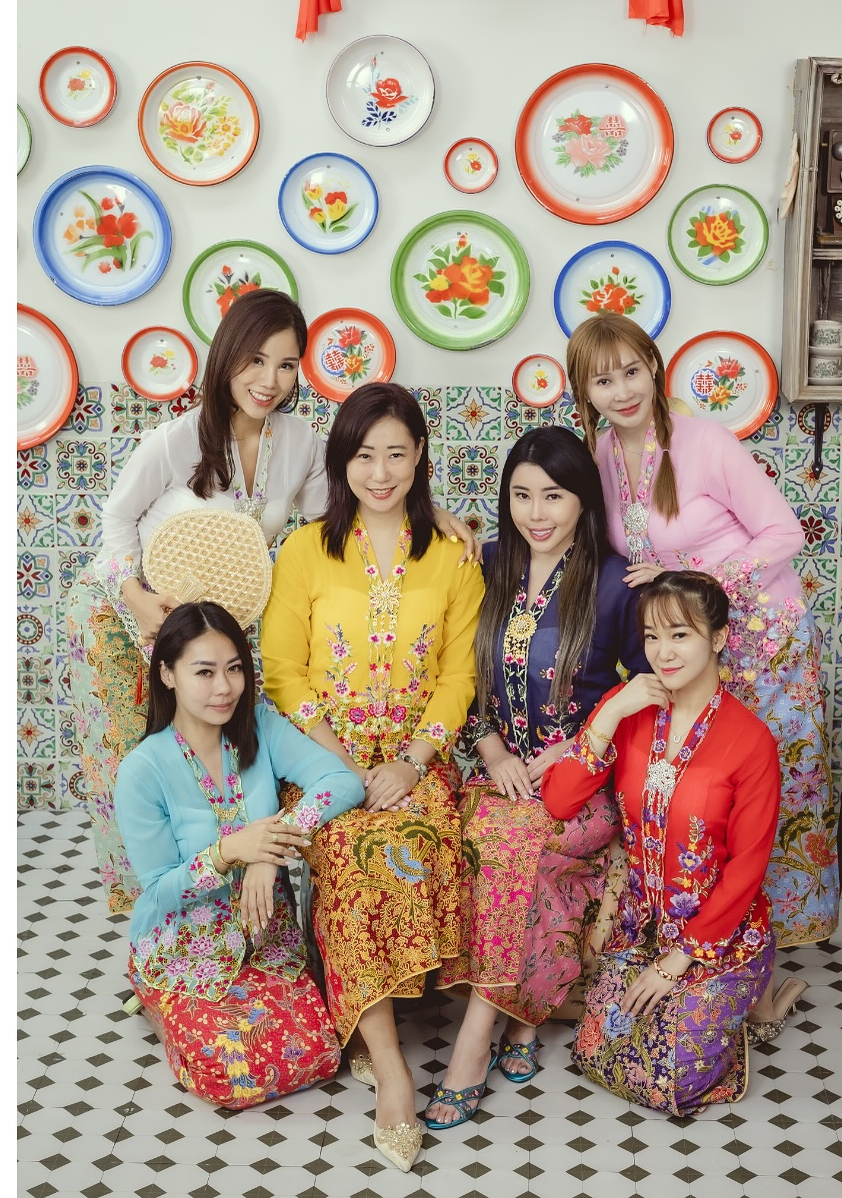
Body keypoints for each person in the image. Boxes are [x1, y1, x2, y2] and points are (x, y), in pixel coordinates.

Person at [68, 289, 479, 913]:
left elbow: (343, 509)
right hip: (128, 618)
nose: (270, 380)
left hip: (212, 628)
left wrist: (432, 511)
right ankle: (155, 919)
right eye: (255, 360)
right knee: (143, 766)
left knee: (213, 760)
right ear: (227, 356)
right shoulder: (177, 440)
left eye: (286, 365)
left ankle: (233, 902)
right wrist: (137, 598)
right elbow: (116, 520)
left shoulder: (299, 440)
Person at [566, 313, 838, 1036]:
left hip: (764, 638)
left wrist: (701, 577)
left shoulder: (707, 441)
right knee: (704, 801)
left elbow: (785, 531)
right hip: (693, 647)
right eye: (603, 379)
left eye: (632, 371)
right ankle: (709, 952)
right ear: (584, 390)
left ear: (654, 367)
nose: (622, 390)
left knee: (770, 799)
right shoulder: (600, 456)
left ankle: (759, 967)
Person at [260, 381, 484, 1173]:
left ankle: (364, 1019)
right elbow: (283, 671)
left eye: (396, 453)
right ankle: (392, 1072)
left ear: (421, 456)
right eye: (364, 455)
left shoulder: (453, 555)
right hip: (325, 756)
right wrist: (346, 764)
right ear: (341, 461)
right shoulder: (304, 550)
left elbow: (458, 677)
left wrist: (412, 762)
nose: (381, 472)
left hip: (417, 757)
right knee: (351, 856)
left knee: (417, 841)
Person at [427, 427, 649, 1128]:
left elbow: (650, 686)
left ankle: (473, 1045)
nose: (536, 512)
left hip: (582, 781)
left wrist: (576, 748)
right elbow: (455, 674)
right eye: (521, 496)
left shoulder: (615, 582)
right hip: (497, 777)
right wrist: (491, 751)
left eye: (553, 495)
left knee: (522, 847)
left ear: (583, 498)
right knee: (492, 843)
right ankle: (524, 1018)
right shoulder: (487, 562)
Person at [542, 571, 781, 1116]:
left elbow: (748, 867)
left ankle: (746, 992)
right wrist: (610, 712)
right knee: (598, 1050)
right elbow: (559, 801)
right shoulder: (631, 708)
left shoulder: (751, 741)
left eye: (680, 635)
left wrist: (676, 962)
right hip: (637, 924)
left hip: (716, 936)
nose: (662, 652)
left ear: (718, 638)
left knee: (671, 1081)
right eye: (652, 636)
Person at [114, 601, 364, 1108]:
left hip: (266, 938)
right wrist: (228, 852)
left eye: (234, 669)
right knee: (232, 1077)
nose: (224, 687)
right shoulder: (143, 769)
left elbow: (342, 780)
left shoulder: (260, 726)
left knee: (317, 1053)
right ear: (168, 675)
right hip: (184, 947)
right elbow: (158, 891)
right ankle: (154, 993)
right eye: (204, 672)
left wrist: (269, 850)